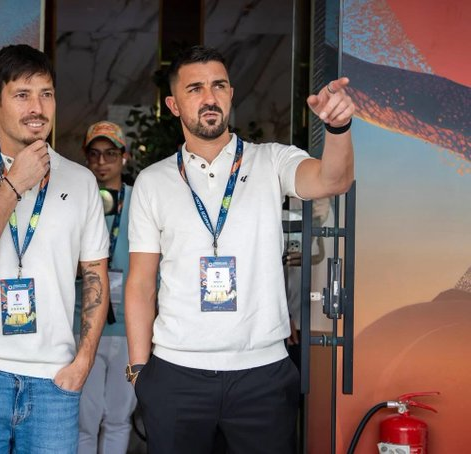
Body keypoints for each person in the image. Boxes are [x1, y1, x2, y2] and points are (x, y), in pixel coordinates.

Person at [125, 45, 355, 454]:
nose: (209, 97)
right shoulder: (153, 182)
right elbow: (141, 284)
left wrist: (338, 129)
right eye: (195, 89)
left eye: (219, 86)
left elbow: (332, 180)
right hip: (177, 373)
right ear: (173, 105)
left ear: (231, 94)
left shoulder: (272, 161)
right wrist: (140, 371)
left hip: (262, 373)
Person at [0, 44, 110, 453]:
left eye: (46, 94)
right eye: (23, 94)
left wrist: (82, 362)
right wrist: (13, 184)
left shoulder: (81, 181)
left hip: (53, 382)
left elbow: (94, 275)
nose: (37, 108)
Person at [73, 121, 137, 453]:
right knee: (85, 419)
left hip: (129, 327)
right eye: (94, 154)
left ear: (124, 156)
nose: (101, 162)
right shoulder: (76, 201)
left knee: (119, 416)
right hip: (83, 323)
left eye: (110, 153)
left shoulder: (140, 201)